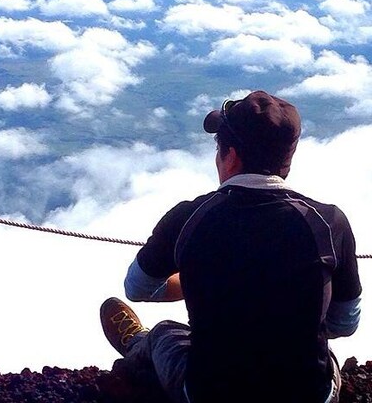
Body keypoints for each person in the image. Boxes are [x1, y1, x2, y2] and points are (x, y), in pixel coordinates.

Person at [100, 91, 362, 403]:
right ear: (287, 158)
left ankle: (137, 344)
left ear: (232, 157)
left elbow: (137, 288)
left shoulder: (188, 218)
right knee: (322, 354)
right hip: (311, 395)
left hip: (207, 393)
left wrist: (198, 282)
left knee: (163, 334)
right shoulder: (330, 223)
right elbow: (344, 323)